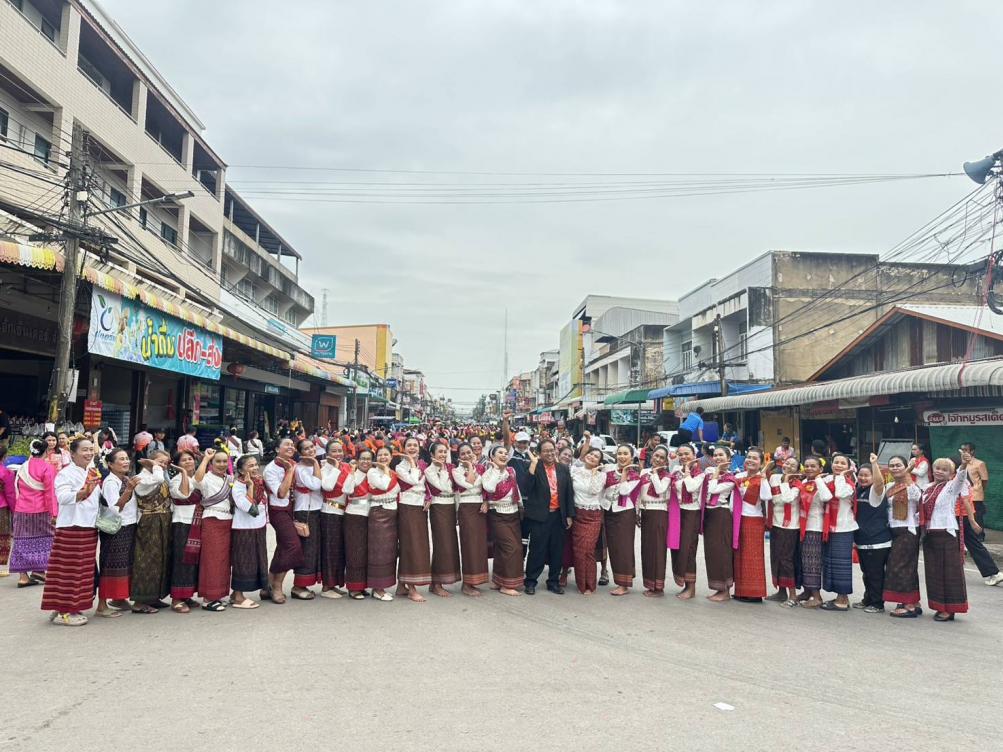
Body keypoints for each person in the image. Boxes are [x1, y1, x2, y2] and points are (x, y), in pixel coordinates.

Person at [41, 436, 102, 626]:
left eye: (91, 449)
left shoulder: (92, 471)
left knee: (82, 571)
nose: (89, 453)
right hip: (72, 527)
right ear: (73, 453)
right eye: (84, 450)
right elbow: (62, 497)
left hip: (89, 527)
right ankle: (65, 611)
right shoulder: (66, 474)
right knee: (69, 571)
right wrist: (82, 493)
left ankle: (65, 606)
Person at [920, 459, 972, 621]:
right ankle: (939, 606)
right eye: (937, 468)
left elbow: (961, 477)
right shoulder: (927, 488)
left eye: (944, 470)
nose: (939, 471)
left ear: (950, 474)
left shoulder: (951, 486)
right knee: (934, 572)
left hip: (946, 533)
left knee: (949, 573)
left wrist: (964, 465)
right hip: (930, 534)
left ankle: (950, 608)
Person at [872, 455, 923, 618]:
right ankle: (913, 601)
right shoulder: (889, 487)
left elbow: (917, 498)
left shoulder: (912, 486)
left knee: (901, 566)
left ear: (906, 467)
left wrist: (907, 474)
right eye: (892, 465)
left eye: (898, 465)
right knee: (902, 566)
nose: (895, 468)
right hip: (892, 530)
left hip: (907, 530)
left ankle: (907, 604)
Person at [523, 438, 575, 595]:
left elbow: (568, 493)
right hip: (540, 517)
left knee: (557, 550)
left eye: (552, 450)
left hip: (558, 516)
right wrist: (533, 465)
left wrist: (569, 515)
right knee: (537, 550)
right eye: (545, 451)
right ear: (539, 453)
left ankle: (553, 582)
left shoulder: (563, 468)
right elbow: (526, 488)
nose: (550, 453)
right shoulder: (534, 466)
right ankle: (530, 581)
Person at [95, 447, 139, 617]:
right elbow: (115, 509)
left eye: (127, 458)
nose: (126, 462)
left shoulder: (125, 479)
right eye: (121, 459)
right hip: (116, 529)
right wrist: (129, 490)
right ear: (110, 465)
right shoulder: (110, 482)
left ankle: (118, 598)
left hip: (129, 526)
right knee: (110, 565)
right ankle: (101, 605)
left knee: (125, 564)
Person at [10, 439, 58, 588]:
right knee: (47, 540)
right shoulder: (48, 468)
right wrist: (54, 513)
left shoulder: (22, 467)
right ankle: (39, 570)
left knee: (21, 541)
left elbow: (16, 489)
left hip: (21, 510)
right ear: (47, 452)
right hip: (41, 510)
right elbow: (50, 493)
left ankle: (24, 577)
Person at [130, 451, 173, 612]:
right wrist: (155, 466)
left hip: (163, 519)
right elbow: (159, 479)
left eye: (165, 463)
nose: (163, 466)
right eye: (160, 462)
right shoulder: (142, 478)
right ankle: (140, 601)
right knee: (147, 560)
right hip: (149, 520)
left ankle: (154, 596)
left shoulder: (158, 475)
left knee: (161, 559)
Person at [262, 438, 304, 604]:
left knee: (283, 546)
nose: (290, 447)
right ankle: (277, 585)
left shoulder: (293, 464)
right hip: (278, 510)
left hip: (292, 509)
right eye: (286, 444)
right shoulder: (271, 469)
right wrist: (289, 471)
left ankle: (267, 584)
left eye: (292, 445)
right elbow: (281, 493)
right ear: (277, 449)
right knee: (293, 546)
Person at [192, 447, 234, 612]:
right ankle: (208, 598)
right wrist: (205, 459)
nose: (221, 464)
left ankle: (219, 594)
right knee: (212, 560)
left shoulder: (229, 478)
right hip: (212, 520)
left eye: (224, 461)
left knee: (223, 561)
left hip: (228, 520)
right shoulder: (207, 477)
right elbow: (196, 480)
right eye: (218, 461)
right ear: (212, 463)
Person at [565, 444, 608, 595]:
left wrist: (595, 474)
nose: (592, 457)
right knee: (578, 550)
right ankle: (581, 584)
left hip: (593, 516)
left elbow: (594, 490)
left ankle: (590, 584)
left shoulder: (601, 475)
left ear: (599, 462)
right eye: (590, 454)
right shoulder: (574, 470)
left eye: (596, 457)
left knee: (588, 550)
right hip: (577, 513)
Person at [481, 446, 524, 596]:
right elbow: (490, 488)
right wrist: (496, 470)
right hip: (497, 514)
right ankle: (507, 585)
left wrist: (521, 506)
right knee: (511, 548)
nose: (504, 455)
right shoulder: (488, 473)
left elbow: (516, 489)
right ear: (492, 457)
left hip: (513, 513)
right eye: (500, 453)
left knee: (502, 548)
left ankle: (498, 581)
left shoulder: (511, 471)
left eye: (506, 453)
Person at [818, 453, 857, 611]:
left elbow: (839, 494)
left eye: (842, 463)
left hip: (843, 527)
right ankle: (840, 597)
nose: (839, 465)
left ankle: (843, 599)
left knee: (842, 565)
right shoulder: (827, 480)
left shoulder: (849, 484)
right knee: (831, 563)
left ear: (848, 467)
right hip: (828, 527)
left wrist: (841, 476)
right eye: (836, 462)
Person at [959, 443, 1002, 586]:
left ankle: (993, 572)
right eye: (962, 450)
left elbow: (982, 482)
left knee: (973, 539)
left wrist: (971, 520)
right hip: (957, 514)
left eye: (966, 450)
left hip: (964, 509)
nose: (964, 452)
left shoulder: (976, 466)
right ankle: (992, 572)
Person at [229, 454, 268, 609]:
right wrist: (250, 486)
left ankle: (235, 595)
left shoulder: (259, 482)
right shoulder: (238, 486)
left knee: (256, 561)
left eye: (256, 464)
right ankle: (238, 596)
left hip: (258, 527)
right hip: (244, 529)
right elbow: (249, 508)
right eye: (250, 466)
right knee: (243, 562)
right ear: (240, 470)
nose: (255, 468)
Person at [395, 437, 432, 602]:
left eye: (415, 445)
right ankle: (411, 587)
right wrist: (411, 462)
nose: (412, 448)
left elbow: (426, 486)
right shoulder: (400, 467)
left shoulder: (423, 465)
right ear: (403, 448)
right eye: (408, 445)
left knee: (418, 545)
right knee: (411, 546)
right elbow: (413, 480)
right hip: (407, 506)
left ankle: (401, 585)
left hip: (420, 507)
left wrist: (428, 497)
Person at [792, 456, 830, 609]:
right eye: (806, 466)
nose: (809, 469)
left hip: (815, 526)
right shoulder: (803, 483)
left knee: (812, 563)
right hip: (802, 526)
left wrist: (819, 480)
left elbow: (827, 497)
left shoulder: (823, 483)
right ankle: (807, 591)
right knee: (804, 561)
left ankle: (817, 596)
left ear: (820, 469)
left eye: (813, 466)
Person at [854, 454, 890, 613]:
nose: (863, 478)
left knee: (875, 574)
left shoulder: (876, 492)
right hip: (862, 540)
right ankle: (868, 598)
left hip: (877, 541)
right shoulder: (858, 490)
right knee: (866, 573)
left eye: (866, 475)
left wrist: (874, 464)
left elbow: (879, 483)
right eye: (860, 475)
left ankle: (877, 603)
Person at [732, 447, 769, 603]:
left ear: (761, 463)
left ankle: (754, 593)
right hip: (738, 518)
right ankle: (741, 591)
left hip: (753, 519)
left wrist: (763, 478)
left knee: (753, 557)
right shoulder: (739, 476)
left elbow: (767, 496)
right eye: (749, 457)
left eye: (755, 458)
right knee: (739, 555)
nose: (750, 460)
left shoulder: (762, 479)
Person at [668, 443, 704, 600]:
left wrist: (687, 470)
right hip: (677, 512)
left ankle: (691, 587)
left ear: (694, 454)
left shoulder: (700, 474)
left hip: (691, 513)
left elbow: (690, 487)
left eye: (687, 454)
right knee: (677, 548)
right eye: (680, 454)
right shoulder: (676, 471)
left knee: (688, 550)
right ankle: (684, 583)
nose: (683, 457)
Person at [603, 444, 640, 597]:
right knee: (614, 548)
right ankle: (621, 579)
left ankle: (624, 584)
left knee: (624, 547)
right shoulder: (608, 470)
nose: (622, 456)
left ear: (631, 457)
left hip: (624, 514)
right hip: (609, 511)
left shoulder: (634, 475)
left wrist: (624, 472)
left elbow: (624, 491)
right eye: (620, 453)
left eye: (626, 454)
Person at [319, 440, 354, 599]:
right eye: (334, 451)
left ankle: (335, 584)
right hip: (330, 512)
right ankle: (327, 586)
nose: (338, 454)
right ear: (327, 453)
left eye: (340, 450)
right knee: (330, 550)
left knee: (339, 550)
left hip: (344, 512)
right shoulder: (324, 469)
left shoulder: (347, 467)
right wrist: (334, 467)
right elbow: (327, 486)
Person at [765, 456, 802, 607]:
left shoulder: (798, 484)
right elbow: (766, 489)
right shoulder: (775, 477)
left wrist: (786, 481)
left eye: (792, 465)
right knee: (776, 558)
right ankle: (781, 592)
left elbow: (786, 499)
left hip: (790, 526)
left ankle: (792, 595)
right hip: (775, 523)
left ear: (798, 470)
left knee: (787, 560)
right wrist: (767, 467)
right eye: (787, 463)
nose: (788, 466)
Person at [453, 442, 488, 596]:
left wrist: (486, 501)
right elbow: (470, 483)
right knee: (469, 545)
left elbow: (486, 487)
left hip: (480, 508)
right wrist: (470, 466)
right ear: (458, 456)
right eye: (463, 453)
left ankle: (475, 580)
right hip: (466, 507)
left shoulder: (481, 468)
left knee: (479, 545)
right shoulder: (456, 471)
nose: (467, 455)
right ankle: (466, 584)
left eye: (469, 452)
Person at [168, 450, 201, 613]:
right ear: (177, 465)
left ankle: (187, 594)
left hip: (197, 522)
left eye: (190, 459)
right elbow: (184, 493)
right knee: (182, 560)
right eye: (183, 460)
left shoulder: (197, 478)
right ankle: (176, 598)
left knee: (194, 560)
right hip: (182, 523)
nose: (188, 462)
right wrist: (182, 473)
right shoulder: (176, 480)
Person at [426, 442, 461, 597]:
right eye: (439, 452)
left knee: (450, 544)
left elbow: (457, 490)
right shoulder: (429, 470)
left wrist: (457, 508)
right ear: (432, 454)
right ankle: (436, 583)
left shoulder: (451, 468)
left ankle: (437, 582)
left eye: (445, 452)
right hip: (438, 507)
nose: (443, 455)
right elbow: (443, 487)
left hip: (450, 507)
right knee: (441, 544)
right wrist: (443, 470)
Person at [365, 446, 399, 602]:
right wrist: (385, 470)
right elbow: (384, 486)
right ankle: (377, 588)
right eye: (380, 455)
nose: (383, 457)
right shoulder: (372, 472)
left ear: (391, 457)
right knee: (379, 552)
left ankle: (383, 586)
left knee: (390, 551)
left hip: (392, 512)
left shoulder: (393, 473)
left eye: (386, 455)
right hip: (379, 512)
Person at [291, 438, 323, 600]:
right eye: (306, 449)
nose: (311, 450)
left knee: (314, 548)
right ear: (300, 453)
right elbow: (316, 485)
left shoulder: (314, 466)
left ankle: (306, 583)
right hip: (305, 510)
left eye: (312, 447)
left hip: (316, 509)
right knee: (307, 549)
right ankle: (298, 586)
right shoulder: (300, 469)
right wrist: (316, 463)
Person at [638, 445, 671, 597]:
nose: (658, 459)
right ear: (651, 457)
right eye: (656, 456)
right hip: (646, 513)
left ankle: (658, 587)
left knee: (657, 550)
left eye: (661, 457)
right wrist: (637, 511)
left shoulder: (667, 476)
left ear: (666, 461)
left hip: (659, 513)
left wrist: (655, 473)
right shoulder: (644, 472)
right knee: (647, 550)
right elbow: (639, 494)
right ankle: (650, 584)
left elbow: (659, 490)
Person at [343, 450, 372, 599]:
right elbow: (346, 490)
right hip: (354, 515)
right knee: (355, 551)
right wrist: (352, 473)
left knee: (365, 552)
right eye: (363, 459)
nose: (366, 462)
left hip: (370, 515)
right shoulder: (354, 474)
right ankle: (354, 587)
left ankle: (362, 585)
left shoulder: (373, 474)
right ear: (357, 460)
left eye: (368, 459)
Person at [0, 445, 13, 577]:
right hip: (2, 507)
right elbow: (10, 494)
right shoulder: (6, 472)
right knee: (2, 536)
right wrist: (14, 509)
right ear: (4, 457)